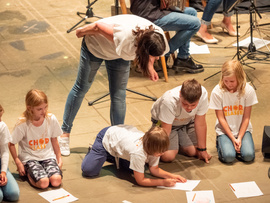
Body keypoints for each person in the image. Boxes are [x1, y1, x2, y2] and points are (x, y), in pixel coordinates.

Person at [59, 14, 170, 156]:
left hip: (119, 54)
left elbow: (149, 53)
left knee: (119, 94)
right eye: (153, 57)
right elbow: (97, 27)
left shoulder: (158, 37)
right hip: (96, 47)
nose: (155, 59)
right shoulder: (126, 37)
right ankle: (64, 133)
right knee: (81, 88)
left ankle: (116, 138)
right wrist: (80, 32)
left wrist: (150, 66)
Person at [81, 125, 187, 187]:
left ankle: (116, 155)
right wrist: (163, 182)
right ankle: (95, 151)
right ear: (151, 149)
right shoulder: (138, 153)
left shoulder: (154, 146)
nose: (162, 154)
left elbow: (154, 169)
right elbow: (140, 181)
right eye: (160, 152)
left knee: (134, 169)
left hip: (122, 139)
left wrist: (173, 176)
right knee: (89, 170)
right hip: (106, 137)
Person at [130, 0, 204, 73]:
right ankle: (164, 52)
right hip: (149, 14)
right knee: (195, 24)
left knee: (191, 12)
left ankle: (183, 58)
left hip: (153, 9)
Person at [9, 89, 63, 189]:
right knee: (44, 183)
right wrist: (18, 162)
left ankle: (43, 172)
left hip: (47, 156)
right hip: (30, 158)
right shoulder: (22, 123)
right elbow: (11, 143)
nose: (44, 111)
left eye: (45, 107)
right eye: (39, 109)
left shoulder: (51, 118)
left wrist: (59, 158)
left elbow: (54, 139)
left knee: (56, 181)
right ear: (30, 108)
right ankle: (29, 173)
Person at [151, 79, 212, 163]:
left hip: (187, 121)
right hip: (168, 125)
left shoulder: (203, 94)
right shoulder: (169, 101)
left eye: (193, 105)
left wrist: (203, 150)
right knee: (167, 156)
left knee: (194, 152)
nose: (189, 108)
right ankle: (175, 142)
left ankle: (179, 139)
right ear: (180, 94)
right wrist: (156, 152)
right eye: (185, 104)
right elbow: (166, 130)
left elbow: (200, 123)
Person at [209, 60, 258, 163]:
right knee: (229, 157)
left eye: (232, 81)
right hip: (225, 130)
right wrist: (232, 138)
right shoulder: (217, 92)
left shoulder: (248, 90)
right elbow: (221, 118)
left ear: (239, 78)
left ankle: (238, 145)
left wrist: (239, 138)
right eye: (226, 81)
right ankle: (221, 143)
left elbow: (246, 118)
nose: (228, 84)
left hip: (243, 129)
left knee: (248, 156)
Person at [0, 105, 20, 202]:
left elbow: (4, 151)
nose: (0, 121)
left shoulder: (2, 126)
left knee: (13, 194)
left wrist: (3, 172)